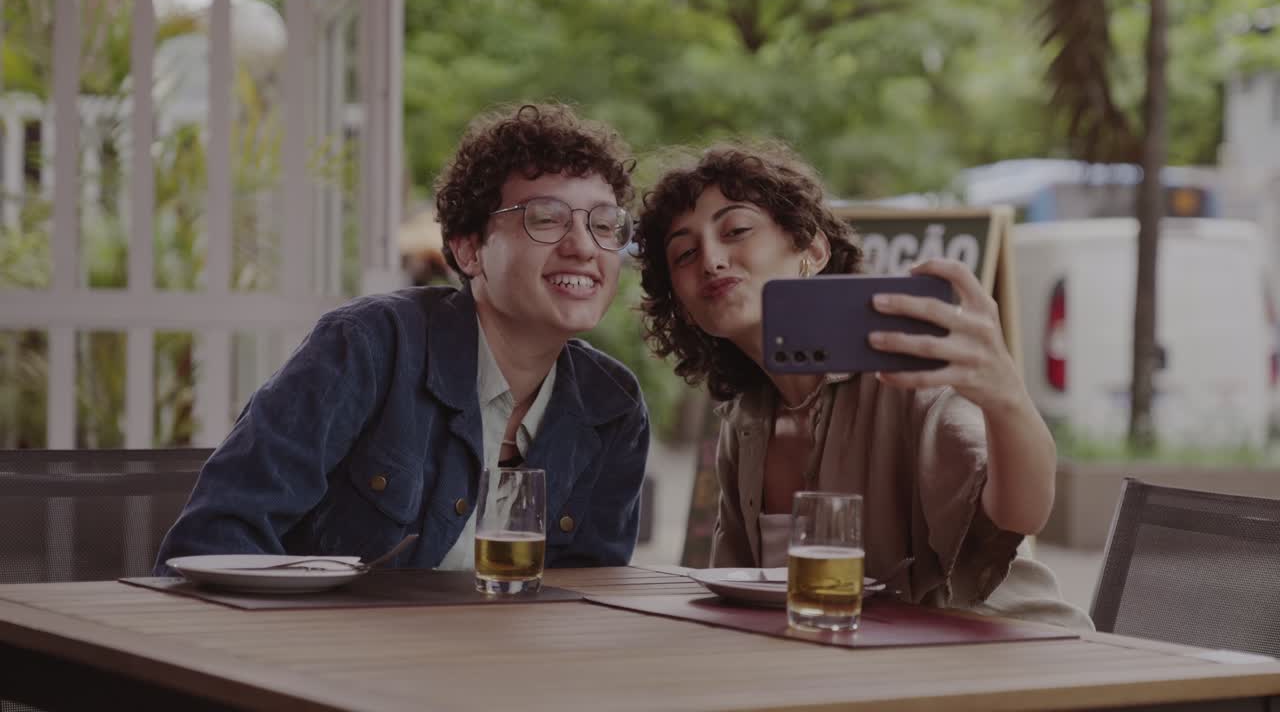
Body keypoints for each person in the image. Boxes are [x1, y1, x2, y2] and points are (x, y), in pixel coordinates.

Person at [155, 103, 650, 573]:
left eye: (605, 225)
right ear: (469, 250)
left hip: (501, 663)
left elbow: (590, 599)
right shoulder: (367, 347)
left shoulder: (611, 406)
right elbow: (214, 541)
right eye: (546, 218)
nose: (584, 246)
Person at [635, 141, 1090, 628]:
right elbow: (742, 596)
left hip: (1014, 661)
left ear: (812, 250)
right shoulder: (747, 418)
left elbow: (1020, 513)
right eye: (684, 253)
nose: (711, 259)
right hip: (864, 676)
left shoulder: (904, 370)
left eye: (737, 230)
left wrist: (1005, 398)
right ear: (682, 305)